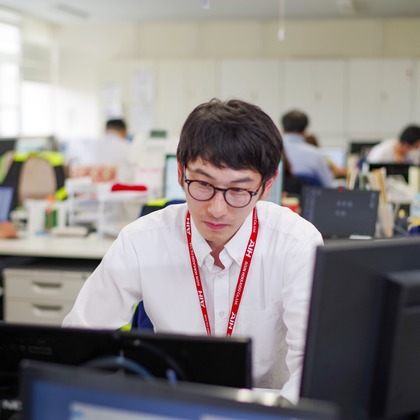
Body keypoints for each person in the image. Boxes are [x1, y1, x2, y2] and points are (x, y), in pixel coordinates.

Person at [63, 98, 324, 404]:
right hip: (172, 407)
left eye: (238, 190)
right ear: (180, 172)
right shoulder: (142, 240)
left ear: (267, 186)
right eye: (202, 184)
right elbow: (78, 344)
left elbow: (313, 370)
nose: (216, 209)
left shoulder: (296, 245)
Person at [280, 110, 334, 187]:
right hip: (308, 194)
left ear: (282, 129)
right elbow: (328, 185)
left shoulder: (273, 151)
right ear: (305, 131)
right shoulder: (315, 154)